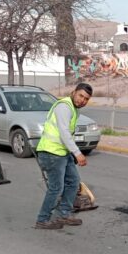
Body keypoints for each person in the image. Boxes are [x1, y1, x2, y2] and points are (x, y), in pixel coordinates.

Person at [34, 82, 93, 230]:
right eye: (81, 96)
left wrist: (71, 152)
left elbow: (68, 135)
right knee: (56, 188)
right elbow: (64, 133)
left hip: (61, 152)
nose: (82, 100)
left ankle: (64, 213)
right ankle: (42, 219)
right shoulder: (64, 107)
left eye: (86, 99)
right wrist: (78, 153)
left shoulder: (73, 108)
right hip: (51, 152)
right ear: (74, 92)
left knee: (73, 182)